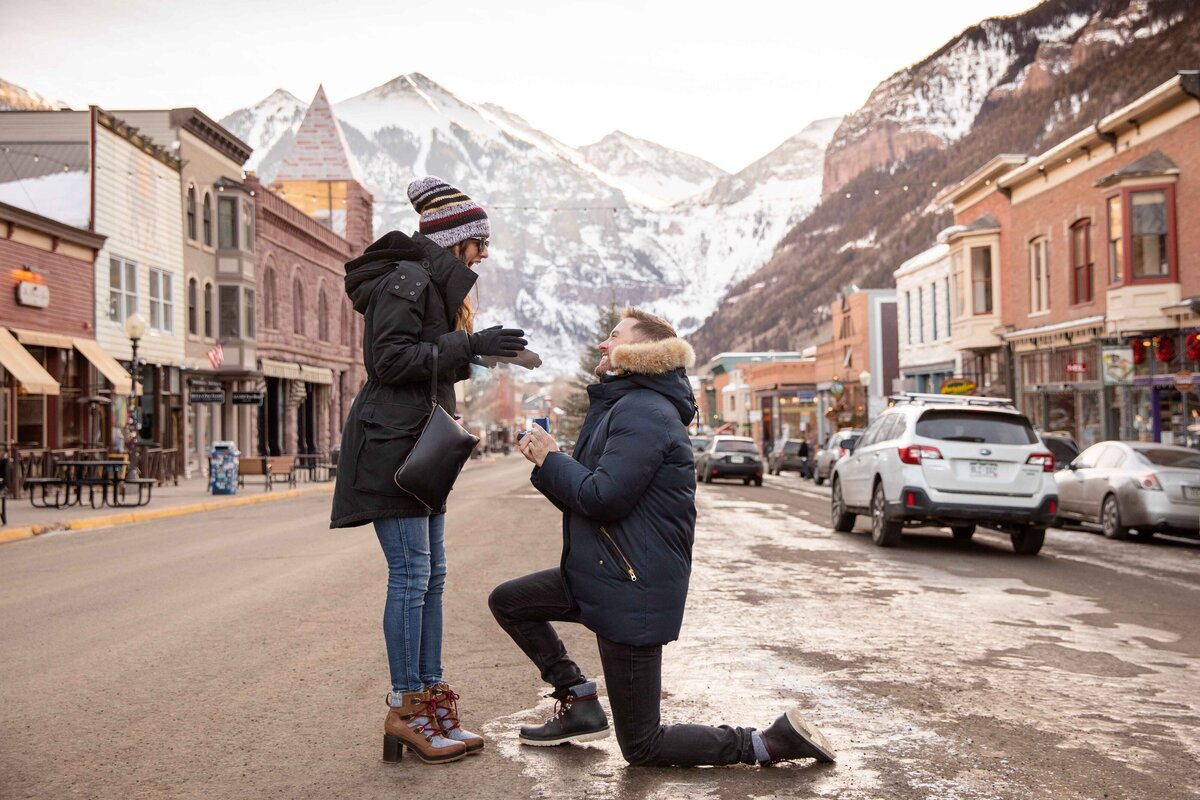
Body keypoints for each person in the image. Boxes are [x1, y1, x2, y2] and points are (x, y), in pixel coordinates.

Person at [489, 307, 836, 767]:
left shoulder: (644, 412)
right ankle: (579, 699)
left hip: (633, 589)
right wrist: (547, 464)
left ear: (641, 352)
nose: (602, 343)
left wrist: (553, 460)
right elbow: (590, 503)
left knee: (643, 746)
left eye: (614, 336)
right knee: (509, 602)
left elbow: (604, 497)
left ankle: (768, 742)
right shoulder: (625, 406)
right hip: (601, 574)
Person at [332, 176, 527, 765]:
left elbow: (427, 365)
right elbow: (388, 362)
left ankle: (432, 701)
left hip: (422, 446)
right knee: (412, 574)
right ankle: (406, 707)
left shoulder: (432, 285)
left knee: (432, 574)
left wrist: (479, 351)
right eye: (479, 241)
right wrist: (467, 347)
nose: (485, 254)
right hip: (394, 449)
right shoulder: (407, 280)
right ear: (454, 240)